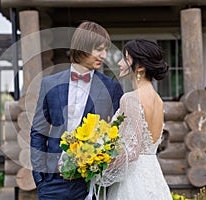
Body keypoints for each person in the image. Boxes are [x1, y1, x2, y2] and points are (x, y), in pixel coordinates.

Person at [30, 21, 123, 200]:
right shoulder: (49, 84)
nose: (103, 55)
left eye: (105, 50)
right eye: (98, 49)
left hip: (91, 183)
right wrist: (40, 177)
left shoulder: (111, 87)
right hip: (52, 181)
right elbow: (38, 131)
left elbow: (119, 133)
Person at [96, 39, 172, 199]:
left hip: (132, 181)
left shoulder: (130, 98)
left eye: (125, 59)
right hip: (153, 174)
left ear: (141, 67)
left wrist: (98, 166)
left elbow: (132, 150)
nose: (119, 63)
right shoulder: (158, 100)